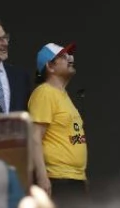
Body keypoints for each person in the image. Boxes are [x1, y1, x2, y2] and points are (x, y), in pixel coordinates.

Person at [28, 42, 88, 205]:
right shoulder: (44, 93)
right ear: (50, 66)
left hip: (74, 178)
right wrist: (42, 177)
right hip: (57, 179)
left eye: (69, 54)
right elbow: (34, 137)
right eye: (63, 56)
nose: (70, 58)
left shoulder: (63, 96)